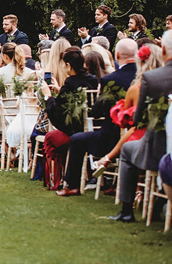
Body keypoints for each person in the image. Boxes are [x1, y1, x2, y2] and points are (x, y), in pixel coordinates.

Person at [56, 39, 137, 196]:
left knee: (77, 139)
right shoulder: (144, 77)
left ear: (117, 54)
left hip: (111, 138)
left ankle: (72, 185)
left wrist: (99, 97)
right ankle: (115, 184)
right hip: (139, 136)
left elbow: (97, 113)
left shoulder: (109, 80)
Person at [113, 29, 172, 222]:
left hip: (157, 148)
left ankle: (126, 211)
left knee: (126, 149)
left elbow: (139, 119)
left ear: (164, 49)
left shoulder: (152, 78)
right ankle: (158, 203)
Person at [94, 44, 163, 168]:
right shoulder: (168, 85)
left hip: (145, 139)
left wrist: (118, 108)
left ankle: (109, 160)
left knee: (133, 133)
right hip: (166, 134)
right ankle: (107, 158)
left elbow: (125, 120)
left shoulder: (136, 88)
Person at [41, 47, 99, 190]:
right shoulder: (92, 80)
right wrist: (59, 90)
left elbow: (59, 113)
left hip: (76, 129)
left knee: (50, 136)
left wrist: (48, 96)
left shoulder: (71, 83)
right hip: (94, 126)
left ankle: (57, 178)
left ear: (68, 65)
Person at [0, 43, 36, 135]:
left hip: (4, 118)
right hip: (26, 116)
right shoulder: (30, 73)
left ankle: (7, 145)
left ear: (5, 56)